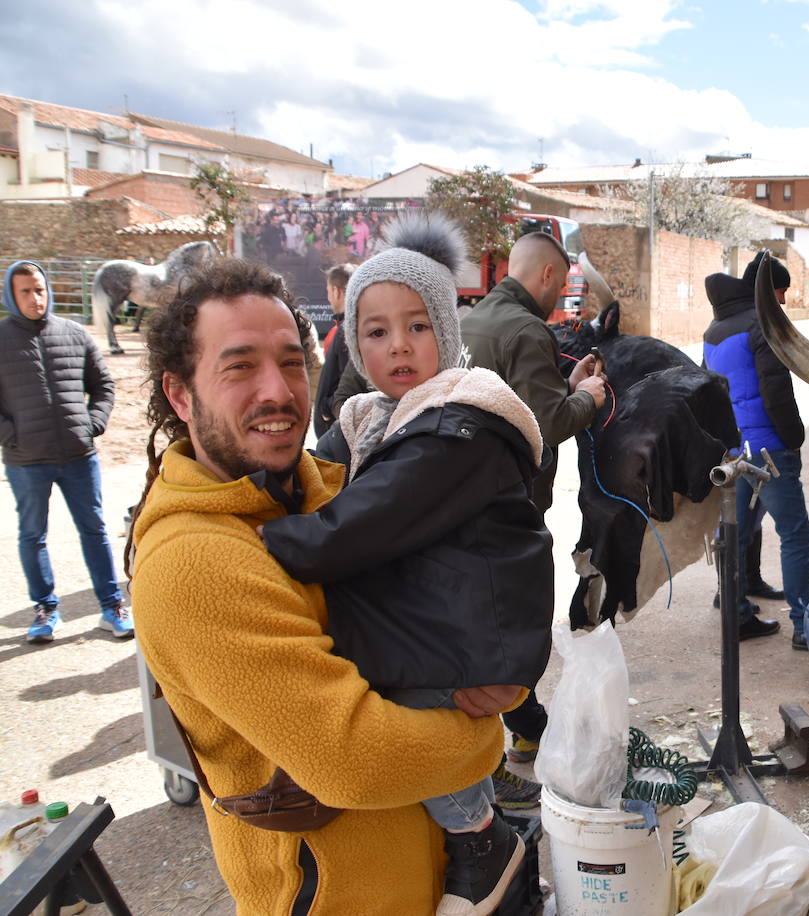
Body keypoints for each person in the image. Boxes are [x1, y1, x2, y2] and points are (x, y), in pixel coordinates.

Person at [129, 256, 514, 915]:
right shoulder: (193, 564)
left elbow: (478, 591)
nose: (277, 390)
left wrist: (505, 665)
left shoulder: (334, 492)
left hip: (431, 879)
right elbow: (356, 760)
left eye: (290, 361)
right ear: (181, 394)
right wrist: (487, 734)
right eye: (240, 366)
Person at [261, 213, 549, 915]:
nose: (399, 346)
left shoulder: (456, 425)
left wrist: (252, 545)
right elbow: (318, 470)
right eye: (377, 331)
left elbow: (348, 530)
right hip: (442, 611)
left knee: (407, 705)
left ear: (447, 334)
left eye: (418, 327)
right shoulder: (376, 413)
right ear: (354, 343)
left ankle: (481, 838)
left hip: (469, 631)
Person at [460, 229, 607, 801]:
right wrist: (589, 397)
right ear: (548, 276)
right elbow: (548, 427)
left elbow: (525, 404)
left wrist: (563, 386)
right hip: (508, 512)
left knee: (484, 631)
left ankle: (523, 731)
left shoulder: (472, 321)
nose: (560, 296)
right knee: (511, 637)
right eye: (563, 284)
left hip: (463, 501)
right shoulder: (526, 330)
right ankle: (496, 758)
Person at [2, 261, 130, 643]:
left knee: (94, 530)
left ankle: (112, 606)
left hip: (79, 456)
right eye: (25, 291)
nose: (35, 298)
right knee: (32, 535)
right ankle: (44, 609)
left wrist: (93, 424)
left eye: (40, 289)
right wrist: (12, 435)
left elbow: (103, 384)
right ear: (12, 294)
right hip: (27, 461)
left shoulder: (74, 333)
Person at [703, 250, 809, 649]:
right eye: (781, 291)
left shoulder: (714, 330)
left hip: (735, 453)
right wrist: (793, 439)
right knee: (796, 535)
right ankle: (804, 624)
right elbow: (776, 393)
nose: (783, 301)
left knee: (734, 534)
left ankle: (735, 612)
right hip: (769, 450)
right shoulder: (761, 326)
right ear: (768, 290)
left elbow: (710, 395)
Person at [313, 263, 355, 436]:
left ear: (336, 291)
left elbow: (349, 384)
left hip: (338, 431)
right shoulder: (340, 329)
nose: (329, 297)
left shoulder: (346, 332)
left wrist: (328, 407)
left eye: (329, 291)